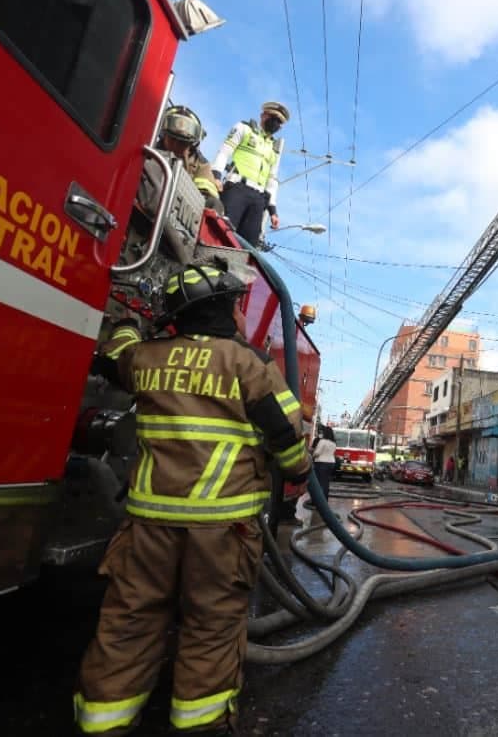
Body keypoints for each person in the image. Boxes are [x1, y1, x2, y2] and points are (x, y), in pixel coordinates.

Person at [73, 261, 312, 735]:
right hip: (221, 531)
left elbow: (111, 356)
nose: (242, 315)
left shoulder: (146, 358)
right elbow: (287, 435)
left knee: (129, 621)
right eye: (237, 306)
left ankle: (103, 722)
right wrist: (299, 473)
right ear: (224, 311)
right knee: (211, 625)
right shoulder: (249, 364)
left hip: (147, 526)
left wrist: (128, 324)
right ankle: (199, 723)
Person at [212, 101, 289, 247]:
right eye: (273, 118)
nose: (276, 124)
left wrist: (273, 211)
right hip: (237, 188)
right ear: (263, 115)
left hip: (258, 199)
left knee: (248, 246)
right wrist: (216, 176)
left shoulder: (273, 150)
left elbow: (272, 181)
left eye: (279, 122)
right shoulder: (244, 129)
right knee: (223, 234)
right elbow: (224, 152)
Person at [138, 105, 224, 216]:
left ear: (192, 144)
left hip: (179, 215)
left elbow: (210, 199)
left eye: (183, 143)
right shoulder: (149, 147)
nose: (176, 145)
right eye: (172, 139)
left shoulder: (201, 165)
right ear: (163, 134)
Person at [312, 424, 338, 501]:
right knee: (326, 482)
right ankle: (325, 499)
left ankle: (318, 500)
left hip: (321, 463)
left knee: (319, 482)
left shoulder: (322, 441)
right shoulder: (333, 443)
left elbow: (317, 453)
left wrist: (312, 456)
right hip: (331, 463)